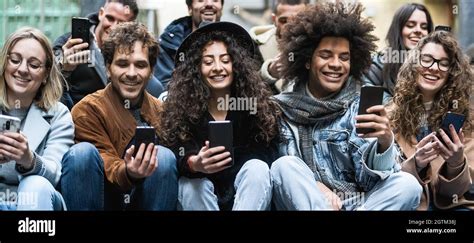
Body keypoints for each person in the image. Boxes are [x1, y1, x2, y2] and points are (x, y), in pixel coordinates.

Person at [271, 2, 422, 210]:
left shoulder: (361, 104)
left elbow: (370, 183)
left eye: (344, 57)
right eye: (325, 55)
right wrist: (316, 185)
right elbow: (288, 178)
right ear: (307, 60)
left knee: (408, 185)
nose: (335, 64)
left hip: (359, 203)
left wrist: (384, 144)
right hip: (312, 201)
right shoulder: (284, 109)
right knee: (284, 166)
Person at [159, 21, 281, 210]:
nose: (217, 68)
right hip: (201, 194)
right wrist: (194, 163)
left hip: (245, 193)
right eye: (208, 62)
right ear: (196, 68)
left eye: (225, 60)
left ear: (237, 65)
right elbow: (173, 149)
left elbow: (268, 150)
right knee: (191, 186)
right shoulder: (181, 108)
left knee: (257, 168)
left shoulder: (254, 105)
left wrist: (232, 164)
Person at [59, 22, 178, 210]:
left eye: (140, 65)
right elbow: (101, 159)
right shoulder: (87, 109)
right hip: (102, 199)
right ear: (107, 68)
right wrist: (129, 172)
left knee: (164, 157)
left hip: (144, 200)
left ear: (151, 71)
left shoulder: (164, 112)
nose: (131, 74)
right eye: (122, 64)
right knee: (81, 154)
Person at [388, 30, 474, 210]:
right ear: (414, 63)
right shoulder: (390, 117)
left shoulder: (465, 120)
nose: (434, 68)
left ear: (452, 72)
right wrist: (416, 164)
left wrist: (456, 163)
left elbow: (459, 193)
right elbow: (383, 182)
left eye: (444, 64)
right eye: (427, 59)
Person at [0, 27, 74, 210]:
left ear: (45, 74)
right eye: (15, 60)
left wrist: (29, 160)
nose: (23, 70)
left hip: (38, 201)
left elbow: (55, 174)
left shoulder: (59, 114)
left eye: (34, 65)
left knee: (34, 185)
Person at [53, 0, 163, 109]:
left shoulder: (136, 56)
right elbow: (47, 86)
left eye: (122, 23)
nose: (113, 27)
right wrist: (64, 68)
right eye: (110, 18)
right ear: (101, 13)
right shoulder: (69, 44)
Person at [364, 3, 433, 103]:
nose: (418, 30)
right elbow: (367, 92)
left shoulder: (435, 66)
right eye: (410, 25)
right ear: (398, 30)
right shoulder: (380, 63)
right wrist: (392, 105)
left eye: (424, 27)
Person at [153, 0, 224, 89]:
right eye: (201, 0)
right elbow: (164, 87)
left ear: (221, 7)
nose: (209, 4)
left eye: (215, 0)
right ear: (190, 7)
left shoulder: (235, 43)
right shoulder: (169, 44)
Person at [250, 0, 307, 93]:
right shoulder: (254, 46)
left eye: (298, 21)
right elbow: (246, 88)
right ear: (274, 19)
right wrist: (269, 73)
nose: (290, 27)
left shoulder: (318, 45)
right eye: (284, 21)